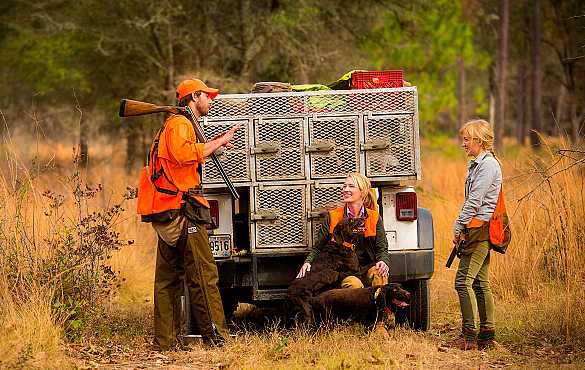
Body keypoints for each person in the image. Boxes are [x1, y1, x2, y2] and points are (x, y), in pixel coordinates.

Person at [136, 78, 240, 350]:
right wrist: (219, 142)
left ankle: (165, 341)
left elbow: (181, 157)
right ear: (194, 97)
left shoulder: (177, 123)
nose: (211, 101)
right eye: (207, 96)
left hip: (168, 209)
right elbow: (184, 155)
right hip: (183, 211)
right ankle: (216, 337)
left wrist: (213, 145)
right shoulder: (181, 123)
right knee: (204, 275)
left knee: (167, 280)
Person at [296, 172, 391, 332]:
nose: (345, 189)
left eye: (351, 186)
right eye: (344, 186)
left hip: (366, 266)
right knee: (353, 285)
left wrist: (383, 261)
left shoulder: (374, 217)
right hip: (346, 271)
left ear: (363, 192)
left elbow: (382, 248)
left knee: (380, 273)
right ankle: (356, 323)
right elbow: (318, 246)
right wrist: (308, 262)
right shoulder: (333, 217)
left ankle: (379, 324)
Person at [450, 119, 502, 350]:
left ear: (479, 141)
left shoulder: (488, 165)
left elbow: (475, 201)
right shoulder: (478, 164)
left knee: (463, 282)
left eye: (467, 139)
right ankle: (487, 337)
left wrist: (458, 226)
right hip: (477, 227)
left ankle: (468, 336)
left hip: (479, 228)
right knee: (480, 283)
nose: (464, 144)